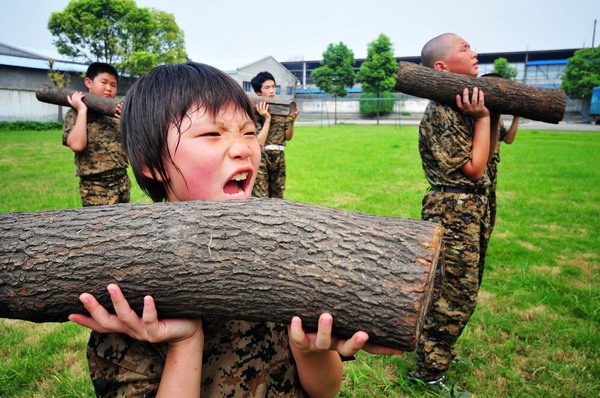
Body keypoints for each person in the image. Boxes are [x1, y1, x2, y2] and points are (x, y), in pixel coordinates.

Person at [68, 62, 402, 397]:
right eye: (212, 134)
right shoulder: (131, 297)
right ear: (151, 163)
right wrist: (185, 341)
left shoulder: (285, 260)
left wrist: (309, 349)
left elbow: (324, 391)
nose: (244, 148)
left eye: (247, 131)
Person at [411, 33, 498, 398]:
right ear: (442, 67)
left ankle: (439, 351)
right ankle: (428, 373)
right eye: (465, 48)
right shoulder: (441, 111)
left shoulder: (464, 104)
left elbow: (494, 149)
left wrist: (491, 116)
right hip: (454, 209)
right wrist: (481, 117)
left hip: (475, 207)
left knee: (466, 288)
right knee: (453, 294)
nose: (475, 52)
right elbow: (475, 168)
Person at [62, 62, 130, 207]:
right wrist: (81, 111)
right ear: (88, 82)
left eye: (113, 84)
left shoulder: (117, 113)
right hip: (95, 185)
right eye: (104, 82)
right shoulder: (75, 113)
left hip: (121, 180)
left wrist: (126, 119)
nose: (109, 88)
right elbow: (77, 145)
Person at [479, 73, 520, 283]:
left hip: (493, 169)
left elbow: (509, 140)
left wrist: (516, 116)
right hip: (481, 168)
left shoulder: (498, 121)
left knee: (490, 212)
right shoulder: (480, 117)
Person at [250, 71, 301, 198]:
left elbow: (287, 137)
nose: (272, 90)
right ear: (259, 92)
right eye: (267, 88)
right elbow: (259, 142)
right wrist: (267, 118)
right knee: (260, 197)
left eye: (273, 86)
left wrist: (291, 122)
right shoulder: (254, 111)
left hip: (279, 156)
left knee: (278, 197)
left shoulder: (281, 109)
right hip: (262, 157)